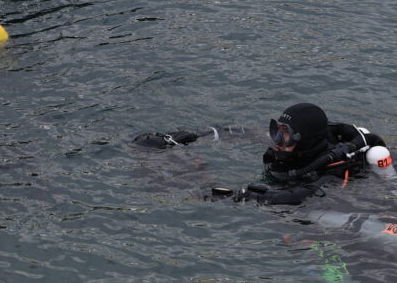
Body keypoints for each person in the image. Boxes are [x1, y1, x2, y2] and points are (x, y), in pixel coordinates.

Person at [133, 103, 389, 205]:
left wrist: (248, 197)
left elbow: (306, 194)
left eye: (285, 135)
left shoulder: (335, 170)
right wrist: (196, 135)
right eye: (276, 131)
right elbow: (243, 132)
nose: (277, 141)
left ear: (306, 140)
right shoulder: (288, 149)